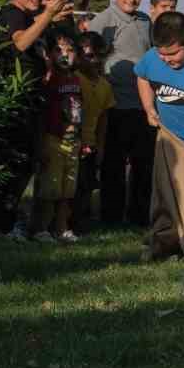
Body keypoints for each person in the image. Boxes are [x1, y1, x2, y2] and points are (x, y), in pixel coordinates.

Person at [0, 0, 71, 239]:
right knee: (9, 164)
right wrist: (47, 16)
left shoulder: (33, 17)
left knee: (25, 165)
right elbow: (20, 42)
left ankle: (8, 222)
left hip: (32, 101)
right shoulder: (11, 13)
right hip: (11, 102)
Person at [135, 10, 184, 261]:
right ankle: (165, 240)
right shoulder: (152, 59)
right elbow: (142, 77)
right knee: (165, 193)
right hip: (168, 141)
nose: (167, 59)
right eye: (162, 54)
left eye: (173, 53)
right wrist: (149, 108)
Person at [91, 0, 154, 227]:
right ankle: (111, 217)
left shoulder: (144, 21)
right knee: (113, 166)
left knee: (143, 166)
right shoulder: (102, 21)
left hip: (141, 106)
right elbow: (91, 58)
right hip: (114, 105)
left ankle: (139, 216)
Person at [32, 27, 84, 244]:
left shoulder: (76, 79)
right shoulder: (48, 80)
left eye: (70, 50)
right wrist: (42, 142)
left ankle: (61, 228)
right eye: (58, 50)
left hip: (73, 141)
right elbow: (42, 114)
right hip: (53, 139)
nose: (64, 55)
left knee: (67, 188)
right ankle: (40, 228)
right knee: (49, 187)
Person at [71, 31, 114, 236]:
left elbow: (104, 117)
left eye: (99, 56)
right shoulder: (74, 79)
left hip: (91, 143)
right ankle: (63, 223)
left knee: (87, 185)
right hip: (70, 142)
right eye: (89, 56)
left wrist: (101, 146)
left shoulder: (105, 85)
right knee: (68, 186)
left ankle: (81, 223)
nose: (95, 60)